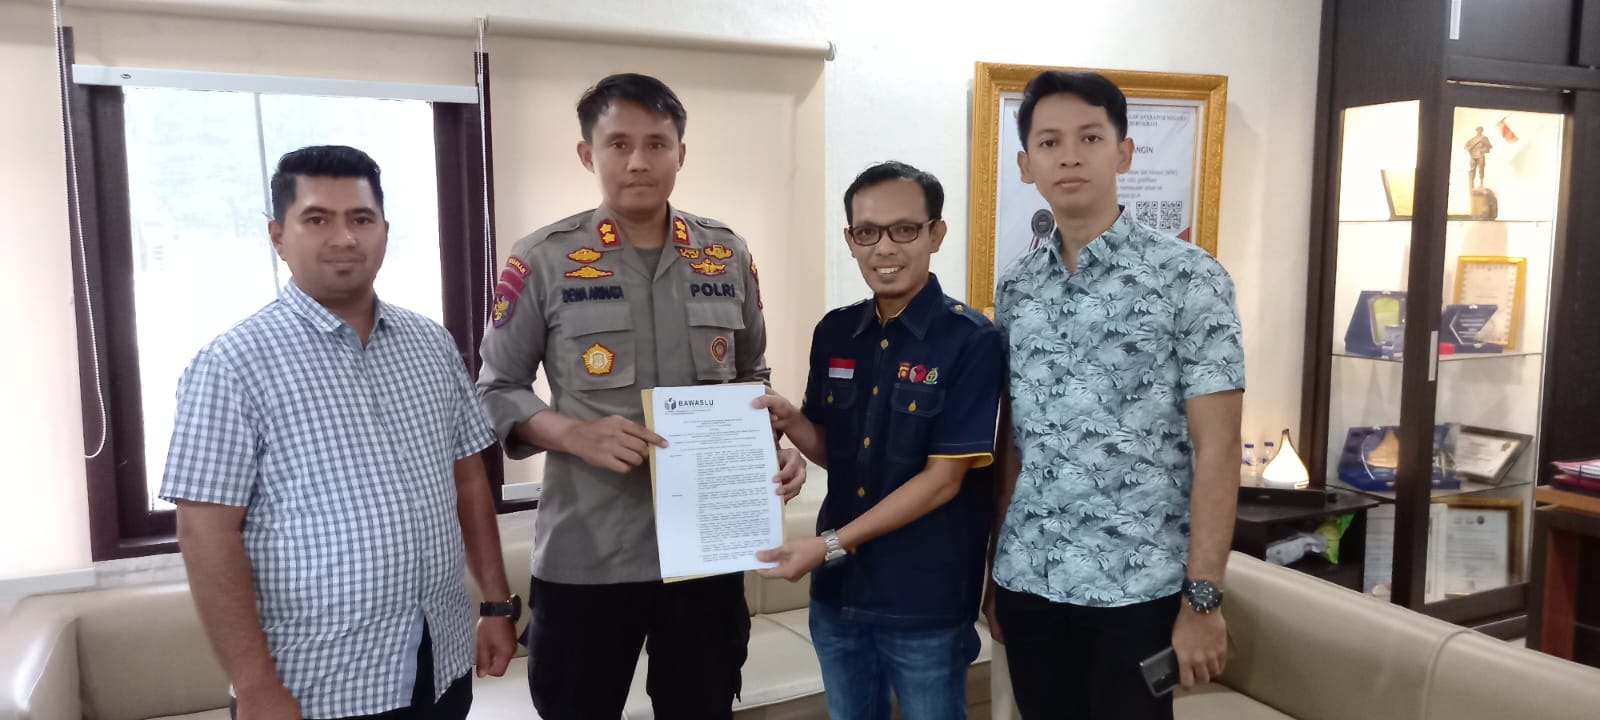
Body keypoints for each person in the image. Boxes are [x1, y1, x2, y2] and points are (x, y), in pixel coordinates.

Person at [475, 72, 806, 720]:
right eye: (618, 144)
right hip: (589, 554)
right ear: (587, 154)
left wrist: (768, 447)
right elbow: (494, 391)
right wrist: (572, 434)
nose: (638, 161)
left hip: (708, 553)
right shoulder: (544, 259)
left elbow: (752, 376)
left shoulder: (726, 254)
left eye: (656, 143)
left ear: (681, 152)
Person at [161, 145, 518, 720]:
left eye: (361, 219)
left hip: (441, 659)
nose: (345, 237)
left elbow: (468, 481)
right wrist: (253, 684)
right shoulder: (231, 365)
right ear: (278, 237)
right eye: (317, 219)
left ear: (384, 232)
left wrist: (497, 605)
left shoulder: (431, 345)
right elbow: (205, 535)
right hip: (317, 684)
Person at [987, 71, 1246, 720]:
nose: (1069, 156)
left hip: (1140, 591)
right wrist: (994, 569)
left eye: (1090, 138)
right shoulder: (1017, 288)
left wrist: (1203, 601)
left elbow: (1218, 449)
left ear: (1124, 153)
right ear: (1026, 165)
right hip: (1031, 579)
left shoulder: (1190, 278)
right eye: (1049, 142)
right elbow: (1013, 442)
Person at [755, 161, 1005, 720]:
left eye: (904, 229)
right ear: (850, 240)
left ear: (936, 234)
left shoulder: (971, 341)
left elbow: (943, 481)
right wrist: (790, 420)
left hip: (924, 600)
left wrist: (829, 545)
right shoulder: (835, 331)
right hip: (838, 596)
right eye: (867, 232)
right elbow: (835, 451)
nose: (884, 248)